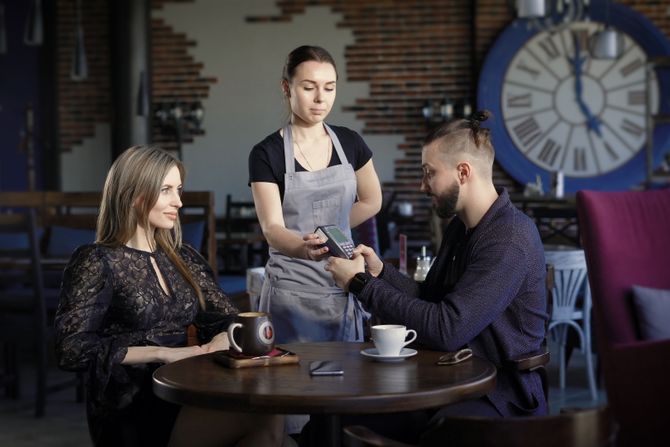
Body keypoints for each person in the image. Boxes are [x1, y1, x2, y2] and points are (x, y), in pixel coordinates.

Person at [324, 111, 548, 443]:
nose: (422, 185)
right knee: (334, 416)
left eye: (429, 174)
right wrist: (380, 273)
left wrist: (361, 285)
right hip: (454, 376)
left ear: (463, 172)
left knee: (442, 434)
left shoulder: (509, 239)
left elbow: (447, 328)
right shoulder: (461, 227)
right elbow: (432, 298)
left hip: (501, 393)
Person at [55, 146, 284, 447]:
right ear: (134, 195)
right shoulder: (97, 259)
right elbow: (70, 349)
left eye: (178, 189)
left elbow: (229, 318)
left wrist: (219, 339)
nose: (178, 201)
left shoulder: (183, 256)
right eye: (166, 190)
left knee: (270, 418)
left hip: (188, 387)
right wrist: (163, 354)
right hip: (133, 402)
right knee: (263, 418)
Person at [248, 45, 382, 344]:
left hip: (342, 280)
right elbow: (272, 229)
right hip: (289, 290)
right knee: (287, 385)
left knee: (344, 384)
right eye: (309, 88)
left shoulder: (350, 142)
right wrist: (304, 247)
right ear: (287, 87)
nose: (321, 98)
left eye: (329, 88)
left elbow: (372, 201)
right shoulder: (266, 153)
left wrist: (331, 231)